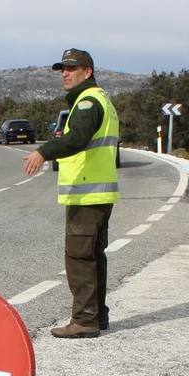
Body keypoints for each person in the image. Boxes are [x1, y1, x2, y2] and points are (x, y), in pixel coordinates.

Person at [24, 48, 120, 339]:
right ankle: (97, 315)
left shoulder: (88, 102)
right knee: (92, 256)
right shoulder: (101, 99)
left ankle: (84, 320)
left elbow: (76, 139)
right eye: (62, 69)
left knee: (79, 258)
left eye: (71, 68)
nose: (65, 73)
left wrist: (43, 151)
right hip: (98, 191)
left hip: (88, 193)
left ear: (87, 72)